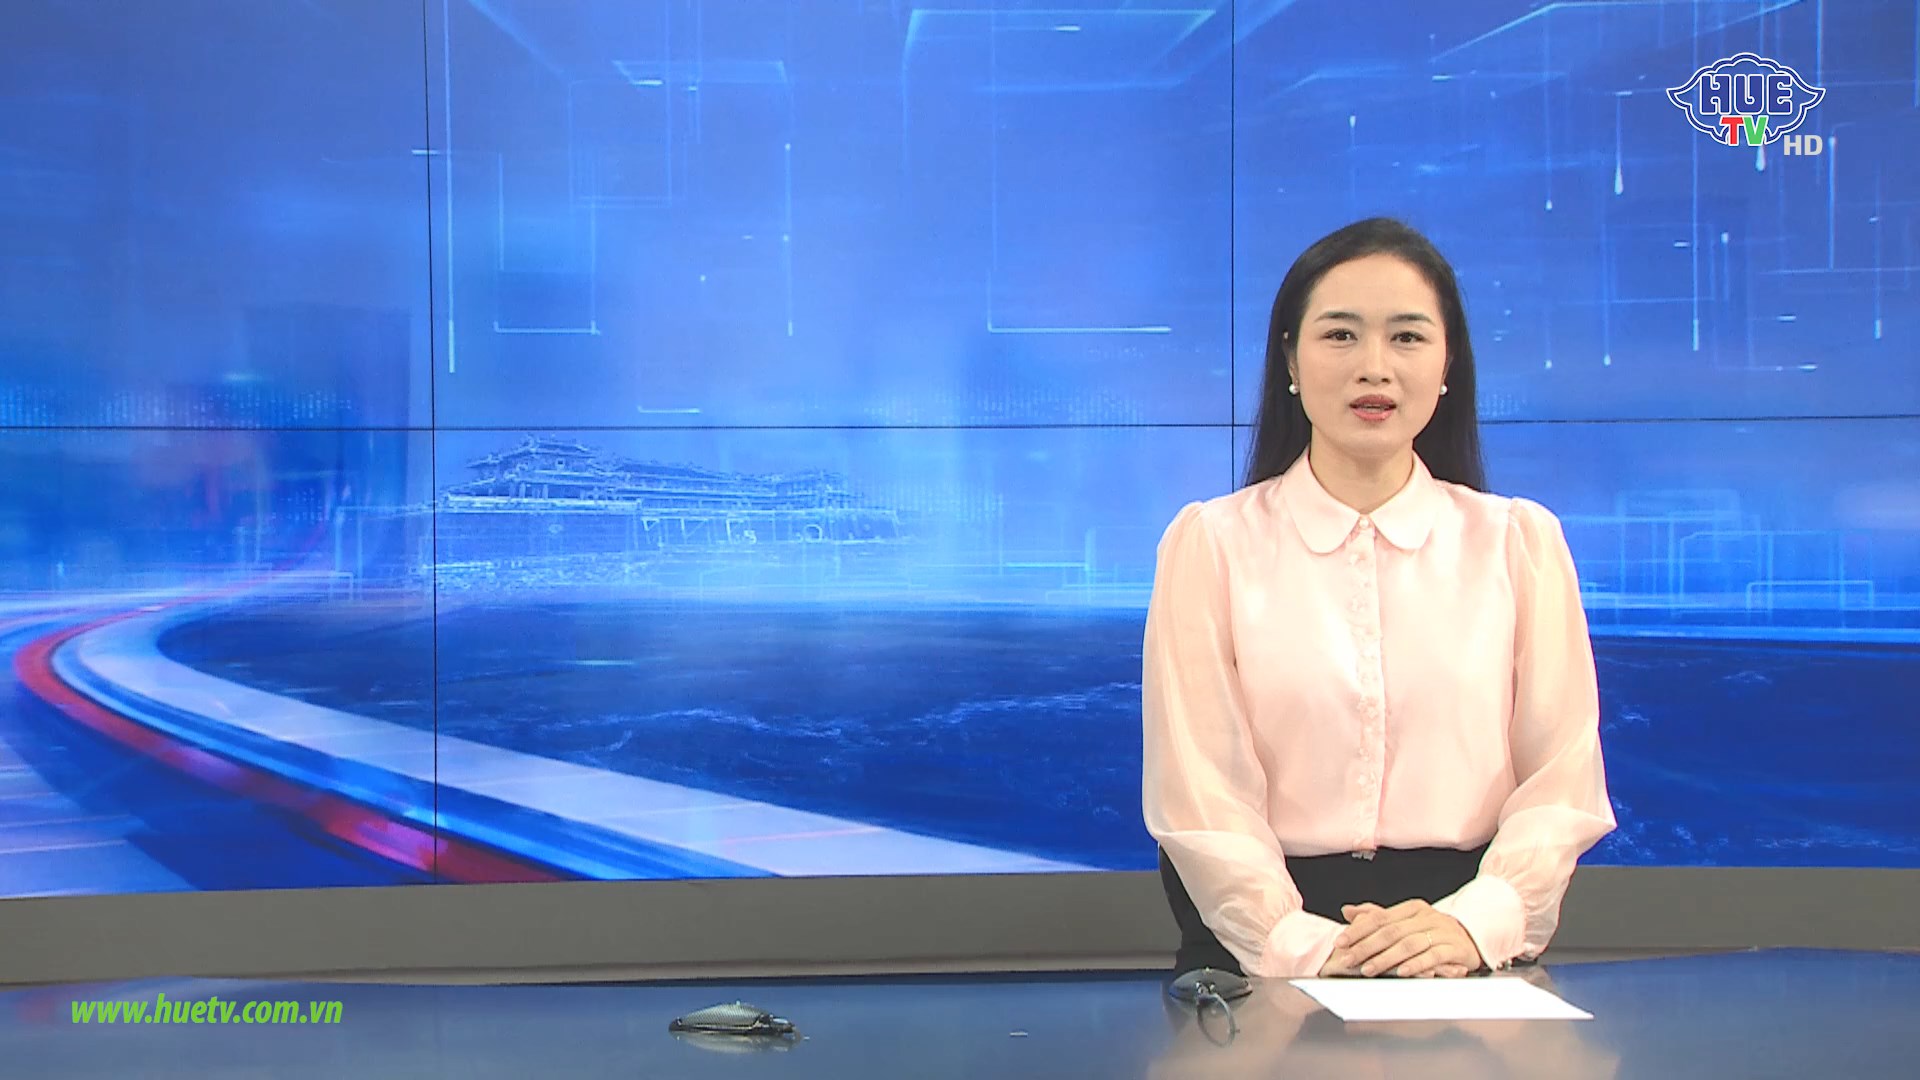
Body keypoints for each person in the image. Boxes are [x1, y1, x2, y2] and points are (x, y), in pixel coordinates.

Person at [1141, 217, 1616, 981]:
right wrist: (1305, 944)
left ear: (1448, 363)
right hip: (1259, 953)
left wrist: (1472, 924)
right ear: (1290, 359)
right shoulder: (1211, 543)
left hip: (1460, 946)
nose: (1374, 367)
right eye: (1340, 336)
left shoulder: (1518, 541)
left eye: (1407, 337)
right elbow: (1201, 795)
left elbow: (1561, 783)